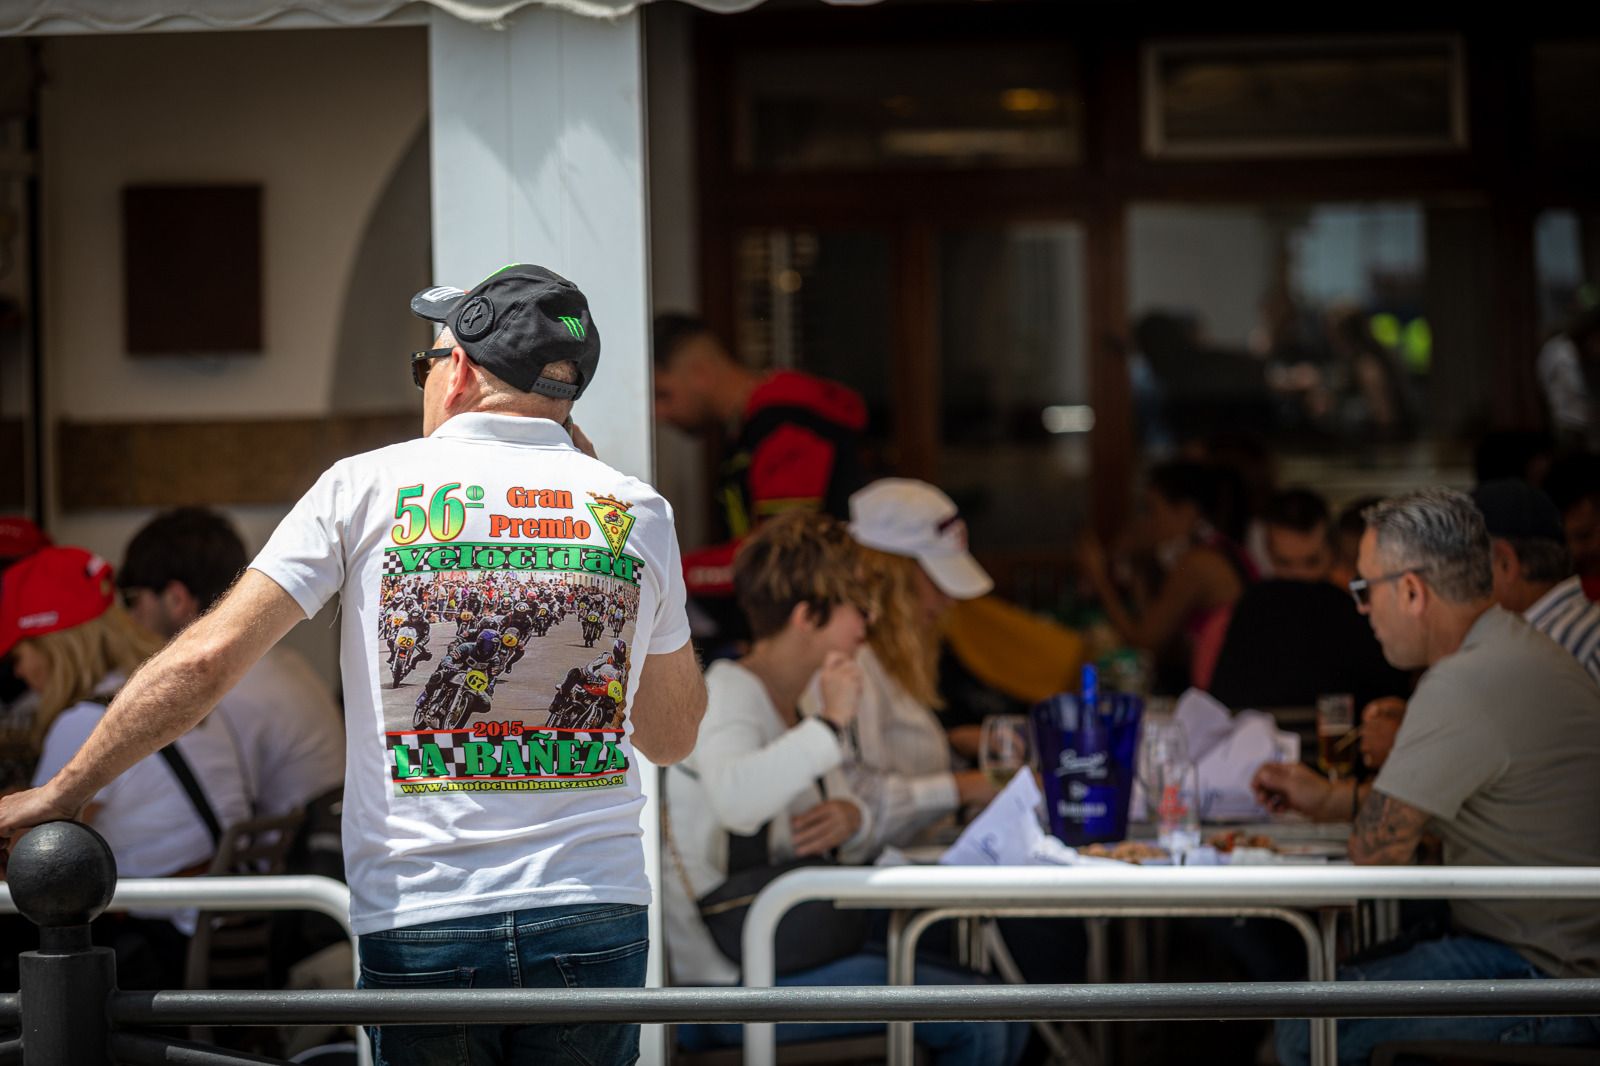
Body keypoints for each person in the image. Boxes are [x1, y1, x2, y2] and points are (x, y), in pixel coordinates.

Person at [0, 264, 707, 1066]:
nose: (426, 380)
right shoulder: (634, 511)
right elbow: (673, 736)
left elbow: (204, 661)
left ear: (464, 370)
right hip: (593, 906)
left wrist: (67, 789)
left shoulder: (366, 486)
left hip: (426, 908)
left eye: (426, 363)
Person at [663, 511, 1025, 1066]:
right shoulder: (732, 691)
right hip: (727, 977)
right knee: (984, 1017)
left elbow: (824, 826)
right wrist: (830, 725)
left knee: (992, 998)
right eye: (859, 607)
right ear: (808, 616)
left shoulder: (798, 698)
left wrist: (850, 815)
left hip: (780, 943)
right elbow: (738, 801)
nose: (870, 621)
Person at [1251, 489, 1600, 1064]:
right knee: (1323, 991)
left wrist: (1352, 807)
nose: (1360, 610)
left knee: (1302, 1030)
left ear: (1411, 592)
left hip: (1548, 981)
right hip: (1551, 958)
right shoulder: (1508, 647)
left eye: (1364, 590)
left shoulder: (1464, 680)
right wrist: (1333, 798)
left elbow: (1374, 854)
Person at [0, 546, 251, 988]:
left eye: (20, 655)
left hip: (155, 945)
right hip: (224, 925)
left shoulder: (84, 722)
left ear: (56, 647)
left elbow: (31, 859)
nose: (19, 674)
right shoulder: (176, 700)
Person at [805, 479, 1001, 849]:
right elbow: (851, 808)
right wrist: (967, 786)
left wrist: (952, 747)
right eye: (938, 582)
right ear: (889, 579)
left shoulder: (887, 659)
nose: (949, 602)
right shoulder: (847, 664)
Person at [118, 507, 345, 819]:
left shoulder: (220, 687)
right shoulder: (280, 662)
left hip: (282, 861)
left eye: (132, 600)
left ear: (176, 599)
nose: (130, 618)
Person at [1362, 480, 1600, 769]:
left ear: (1504, 563)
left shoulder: (1559, 648)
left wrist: (1412, 744)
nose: (1448, 582)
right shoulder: (1567, 632)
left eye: (1461, 563)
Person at [652, 312, 869, 616]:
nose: (658, 414)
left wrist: (672, 575)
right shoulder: (749, 427)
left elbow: (784, 554)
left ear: (700, 372)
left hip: (826, 619)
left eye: (663, 394)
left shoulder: (786, 425)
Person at [1208, 488, 1411, 714]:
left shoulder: (1359, 604)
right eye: (1284, 563)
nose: (1298, 579)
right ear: (1267, 552)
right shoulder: (1350, 607)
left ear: (1334, 552)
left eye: (1311, 562)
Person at [1080, 460, 1256, 691]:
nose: (1145, 521)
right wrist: (1138, 563)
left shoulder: (1198, 564)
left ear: (1185, 512)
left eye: (1151, 510)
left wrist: (1100, 578)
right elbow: (1152, 624)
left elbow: (1143, 642)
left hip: (1222, 692)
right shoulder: (1216, 547)